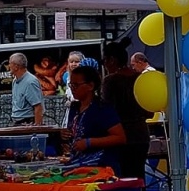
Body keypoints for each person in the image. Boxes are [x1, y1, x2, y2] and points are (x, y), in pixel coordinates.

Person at [63, 63, 127, 172]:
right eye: (71, 85)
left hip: (101, 167)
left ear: (90, 86)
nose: (73, 89)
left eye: (76, 85)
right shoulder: (74, 108)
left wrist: (89, 142)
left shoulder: (102, 109)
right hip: (77, 165)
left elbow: (120, 137)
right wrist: (64, 135)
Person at [100, 42, 148, 178]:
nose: (104, 65)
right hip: (141, 134)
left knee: (123, 179)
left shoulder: (110, 81)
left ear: (112, 60)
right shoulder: (139, 78)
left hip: (121, 137)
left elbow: (106, 110)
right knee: (139, 176)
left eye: (105, 61)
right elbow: (148, 110)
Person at [7, 52, 44, 126]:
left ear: (16, 66)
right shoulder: (15, 80)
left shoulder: (30, 82)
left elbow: (38, 106)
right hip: (17, 122)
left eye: (10, 63)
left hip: (28, 122)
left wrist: (36, 127)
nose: (8, 66)